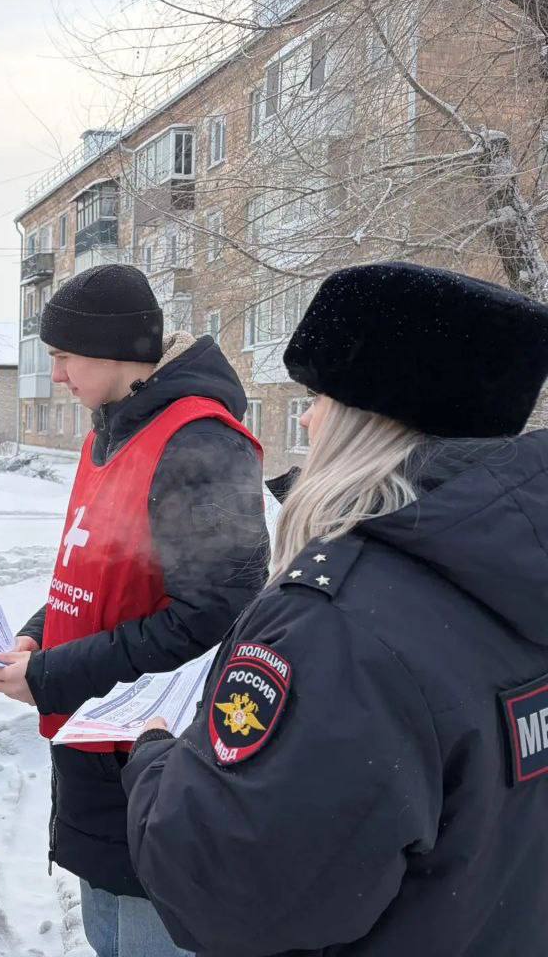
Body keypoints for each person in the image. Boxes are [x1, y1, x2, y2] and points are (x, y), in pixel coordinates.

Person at [122, 262, 548, 955]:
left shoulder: (338, 624)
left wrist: (153, 762)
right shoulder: (511, 571)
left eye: (317, 396)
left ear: (366, 422)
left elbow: (223, 893)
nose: (309, 418)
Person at [0, 264, 269, 956]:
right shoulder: (107, 434)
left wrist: (55, 674)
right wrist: (35, 637)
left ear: (113, 352)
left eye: (63, 357)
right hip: (92, 748)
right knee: (108, 934)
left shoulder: (198, 443)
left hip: (158, 759)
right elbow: (93, 571)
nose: (56, 376)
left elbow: (208, 617)